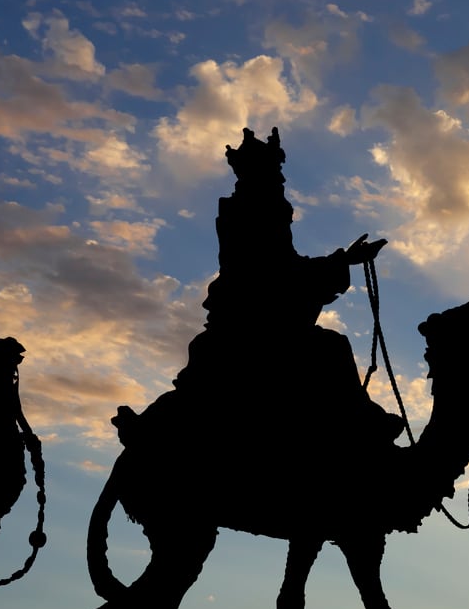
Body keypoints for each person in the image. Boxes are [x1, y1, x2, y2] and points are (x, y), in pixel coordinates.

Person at [168, 128, 401, 451]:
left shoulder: (255, 211)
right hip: (252, 315)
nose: (282, 180)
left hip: (262, 307)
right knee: (331, 349)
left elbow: (287, 263)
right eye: (276, 173)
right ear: (260, 174)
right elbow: (273, 271)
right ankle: (359, 426)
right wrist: (343, 261)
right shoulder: (250, 213)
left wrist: (343, 260)